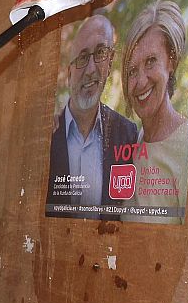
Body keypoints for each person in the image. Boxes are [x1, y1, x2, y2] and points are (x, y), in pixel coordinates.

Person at [46, 14, 138, 218]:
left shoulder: (127, 133)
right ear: (69, 72)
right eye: (82, 57)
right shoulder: (47, 132)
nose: (90, 69)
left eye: (100, 53)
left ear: (110, 62)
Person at [121, 0, 188, 224]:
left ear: (171, 61)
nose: (141, 81)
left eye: (151, 61)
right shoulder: (132, 141)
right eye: (132, 71)